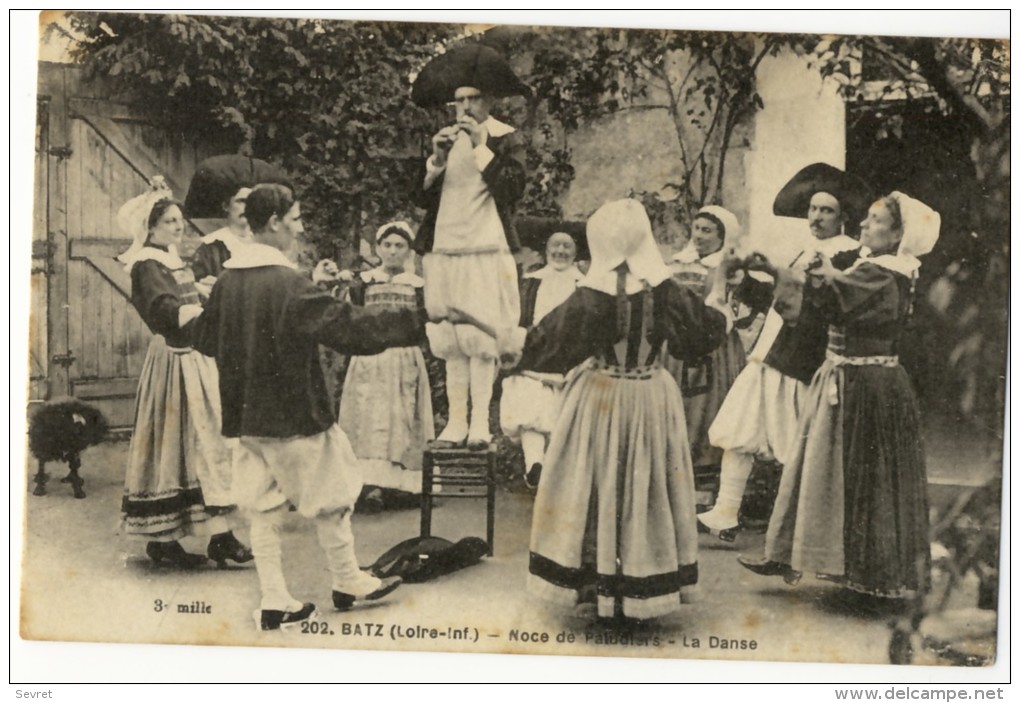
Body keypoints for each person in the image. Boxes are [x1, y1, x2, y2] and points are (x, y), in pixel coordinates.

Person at [190, 184, 420, 630]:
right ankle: (349, 579)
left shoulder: (228, 281)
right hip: (295, 416)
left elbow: (203, 336)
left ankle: (275, 599)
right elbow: (353, 330)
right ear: (274, 222)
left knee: (262, 507)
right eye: (295, 220)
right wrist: (421, 321)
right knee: (332, 497)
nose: (300, 229)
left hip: (247, 419)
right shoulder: (287, 283)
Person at [493, 199, 730, 621]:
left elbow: (547, 346)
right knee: (646, 487)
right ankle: (641, 580)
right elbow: (701, 335)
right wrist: (724, 299)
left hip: (599, 395)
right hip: (651, 395)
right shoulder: (665, 287)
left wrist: (509, 345)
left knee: (594, 484)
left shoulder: (593, 293)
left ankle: (597, 580)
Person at [738, 192, 939, 606]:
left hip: (866, 384)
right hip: (850, 376)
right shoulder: (875, 269)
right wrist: (778, 273)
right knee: (825, 469)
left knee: (863, 476)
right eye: (865, 217)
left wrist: (811, 272)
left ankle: (869, 573)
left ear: (899, 234)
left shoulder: (883, 274)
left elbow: (832, 297)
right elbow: (814, 307)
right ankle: (795, 554)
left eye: (876, 220)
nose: (864, 225)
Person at [696, 164, 868, 541]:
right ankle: (725, 511)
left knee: (797, 441)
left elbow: (821, 306)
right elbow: (781, 301)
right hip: (772, 352)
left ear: (843, 218)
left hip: (802, 357)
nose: (817, 217)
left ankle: (805, 529)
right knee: (742, 426)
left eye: (826, 210)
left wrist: (775, 277)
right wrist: (746, 284)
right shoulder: (804, 252)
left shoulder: (848, 256)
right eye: (812, 209)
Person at [117, 178, 252, 569]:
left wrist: (214, 297)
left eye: (179, 221)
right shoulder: (146, 263)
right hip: (176, 362)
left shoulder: (172, 259)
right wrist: (204, 316)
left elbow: (190, 297)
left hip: (197, 357)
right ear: (151, 227)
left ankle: (221, 537)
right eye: (170, 222)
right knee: (175, 446)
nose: (178, 227)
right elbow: (163, 309)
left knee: (209, 445)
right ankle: (163, 540)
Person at [412, 53, 527, 451]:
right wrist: (436, 161)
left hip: (485, 247)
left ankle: (480, 422)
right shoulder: (445, 137)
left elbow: (512, 190)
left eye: (474, 98)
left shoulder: (505, 136)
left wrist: (482, 148)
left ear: (490, 100)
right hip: (445, 249)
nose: (465, 107)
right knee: (451, 338)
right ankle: (456, 420)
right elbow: (418, 198)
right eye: (460, 100)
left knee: (482, 336)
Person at [327, 221, 435, 513]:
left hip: (403, 358)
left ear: (408, 251)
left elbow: (426, 326)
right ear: (377, 249)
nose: (392, 251)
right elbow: (347, 317)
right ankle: (368, 484)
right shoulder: (364, 283)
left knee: (400, 419)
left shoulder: (419, 286)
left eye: (399, 246)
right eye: (387, 245)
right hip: (369, 359)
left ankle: (403, 485)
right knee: (367, 418)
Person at [663, 206, 757, 508]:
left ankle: (705, 496)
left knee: (709, 412)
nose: (699, 235)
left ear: (723, 236)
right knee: (678, 411)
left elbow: (739, 313)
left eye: (708, 230)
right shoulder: (678, 264)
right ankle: (673, 491)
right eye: (697, 228)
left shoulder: (732, 270)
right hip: (678, 350)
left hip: (715, 351)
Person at [499, 228, 585, 489]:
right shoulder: (531, 281)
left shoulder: (585, 285)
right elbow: (518, 320)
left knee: (565, 407)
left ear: (575, 252)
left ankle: (556, 473)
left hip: (572, 353)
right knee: (528, 396)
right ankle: (535, 464)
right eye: (555, 245)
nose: (560, 251)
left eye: (566, 246)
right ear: (546, 249)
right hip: (535, 351)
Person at [190, 185, 252, 294]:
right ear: (226, 206)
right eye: (241, 201)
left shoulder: (264, 242)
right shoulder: (211, 245)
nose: (247, 207)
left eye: (252, 202)